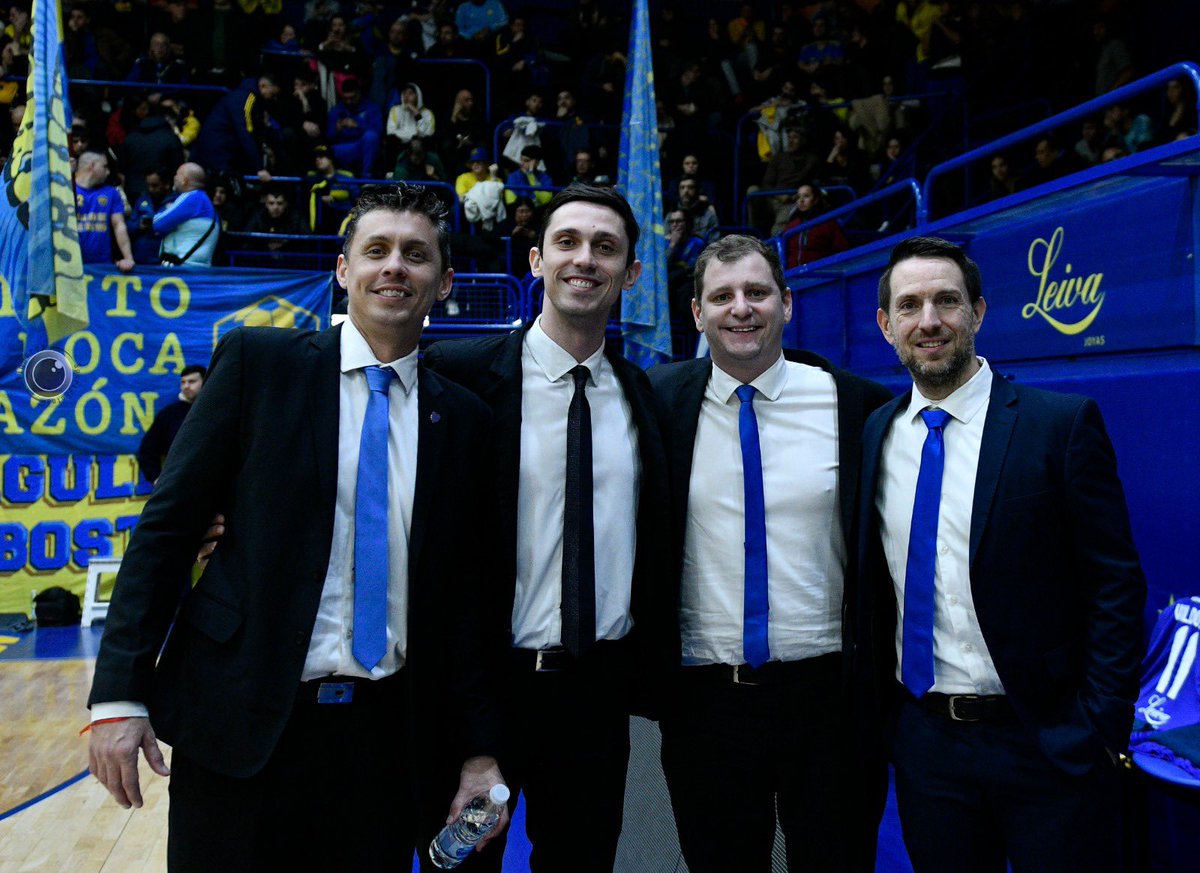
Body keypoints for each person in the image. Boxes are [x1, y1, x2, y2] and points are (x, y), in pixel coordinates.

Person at [86, 183, 509, 873]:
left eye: (415, 254)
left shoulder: (462, 419)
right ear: (344, 271)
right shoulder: (260, 364)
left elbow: (464, 600)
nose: (394, 266)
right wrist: (118, 693)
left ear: (445, 282)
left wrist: (479, 744)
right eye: (375, 250)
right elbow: (167, 530)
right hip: (241, 723)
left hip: (382, 740)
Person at [857, 235, 1146, 873]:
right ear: (886, 325)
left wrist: (1098, 725)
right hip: (926, 743)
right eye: (909, 306)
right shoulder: (876, 434)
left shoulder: (1060, 424)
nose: (928, 321)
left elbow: (1116, 585)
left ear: (979, 312)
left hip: (1045, 739)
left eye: (946, 301)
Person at [422, 184, 675, 873]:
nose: (584, 259)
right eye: (567, 242)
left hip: (595, 704)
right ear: (536, 259)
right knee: (463, 860)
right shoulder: (457, 377)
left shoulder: (643, 397)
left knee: (582, 862)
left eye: (605, 247)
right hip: (482, 701)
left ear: (632, 274)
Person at [648, 235, 892, 873]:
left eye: (757, 293)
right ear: (696, 313)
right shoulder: (657, 403)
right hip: (707, 703)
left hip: (828, 701)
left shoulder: (856, 405)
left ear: (787, 303)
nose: (741, 309)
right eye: (721, 296)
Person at [137, 365, 205, 485]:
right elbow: (147, 448)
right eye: (183, 382)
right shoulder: (169, 415)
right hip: (181, 485)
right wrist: (156, 479)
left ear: (205, 382)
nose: (186, 386)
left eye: (192, 381)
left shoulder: (219, 411)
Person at [74, 150, 135, 273]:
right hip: (71, 266)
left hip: (102, 268)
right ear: (92, 166)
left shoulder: (111, 193)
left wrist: (128, 258)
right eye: (105, 167)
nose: (108, 172)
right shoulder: (66, 190)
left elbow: (119, 226)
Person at [153, 162, 219, 267]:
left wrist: (166, 208)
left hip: (182, 269)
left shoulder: (192, 197)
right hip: (201, 270)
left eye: (177, 174)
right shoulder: (205, 201)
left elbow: (157, 224)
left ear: (184, 180)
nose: (174, 178)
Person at [781, 184, 849, 266]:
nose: (801, 200)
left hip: (820, 275)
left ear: (816, 200)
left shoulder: (828, 224)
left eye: (806, 196)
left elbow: (842, 250)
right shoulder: (792, 225)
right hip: (792, 275)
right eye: (798, 197)